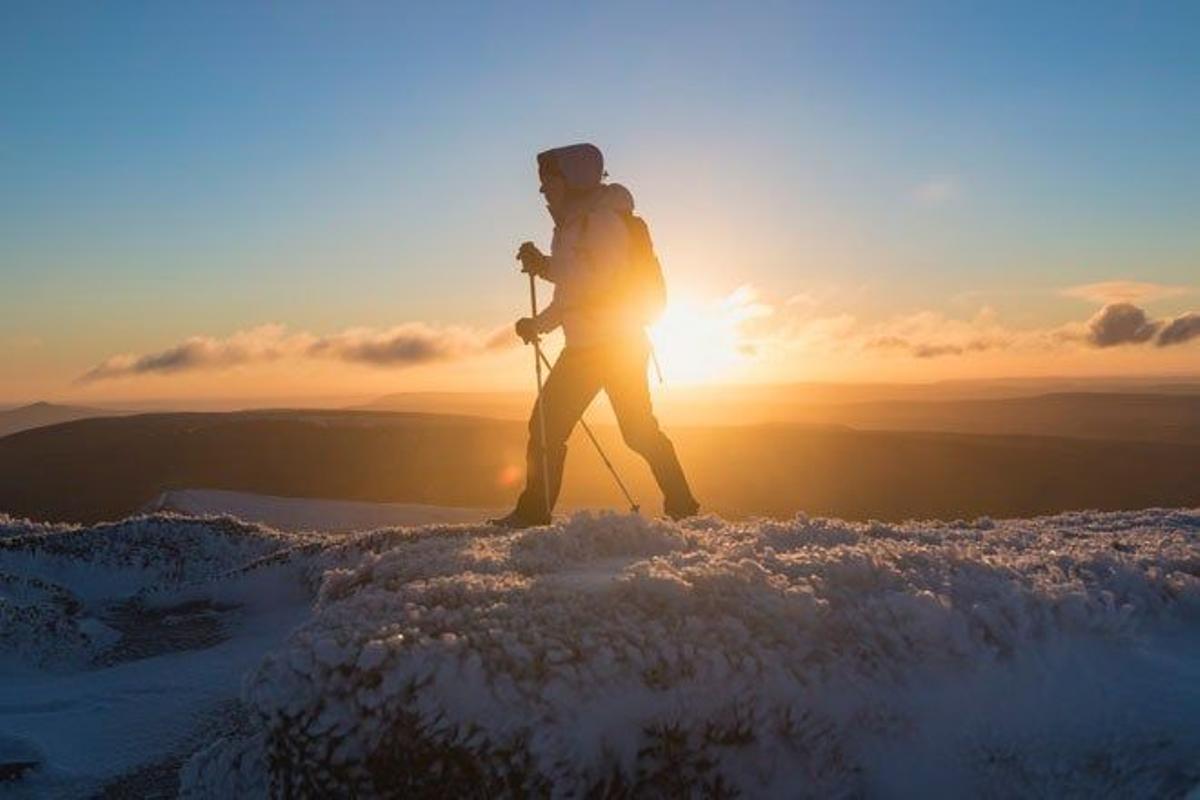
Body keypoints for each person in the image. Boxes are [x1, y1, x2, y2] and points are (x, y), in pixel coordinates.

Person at [491, 143, 699, 528]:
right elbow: (573, 293)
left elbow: (595, 283)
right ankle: (535, 510)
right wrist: (539, 323)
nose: (543, 192)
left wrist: (545, 267)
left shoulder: (604, 221)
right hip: (594, 346)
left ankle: (683, 506)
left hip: (614, 347)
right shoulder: (572, 225)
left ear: (572, 179)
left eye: (549, 182)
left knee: (630, 432)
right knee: (558, 428)